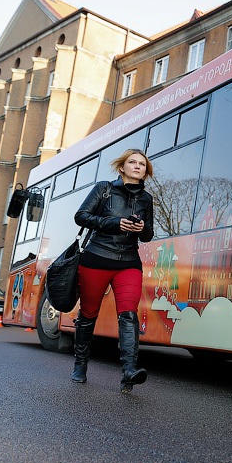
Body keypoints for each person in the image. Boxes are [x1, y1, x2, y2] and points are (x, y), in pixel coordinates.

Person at [72, 149, 154, 392]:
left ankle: (129, 370)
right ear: (122, 167)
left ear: (145, 171)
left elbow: (148, 234)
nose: (137, 166)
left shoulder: (146, 198)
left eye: (142, 164)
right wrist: (113, 223)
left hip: (128, 262)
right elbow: (81, 216)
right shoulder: (104, 188)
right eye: (132, 162)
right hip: (96, 258)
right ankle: (80, 365)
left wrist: (140, 228)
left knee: (128, 314)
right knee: (88, 316)